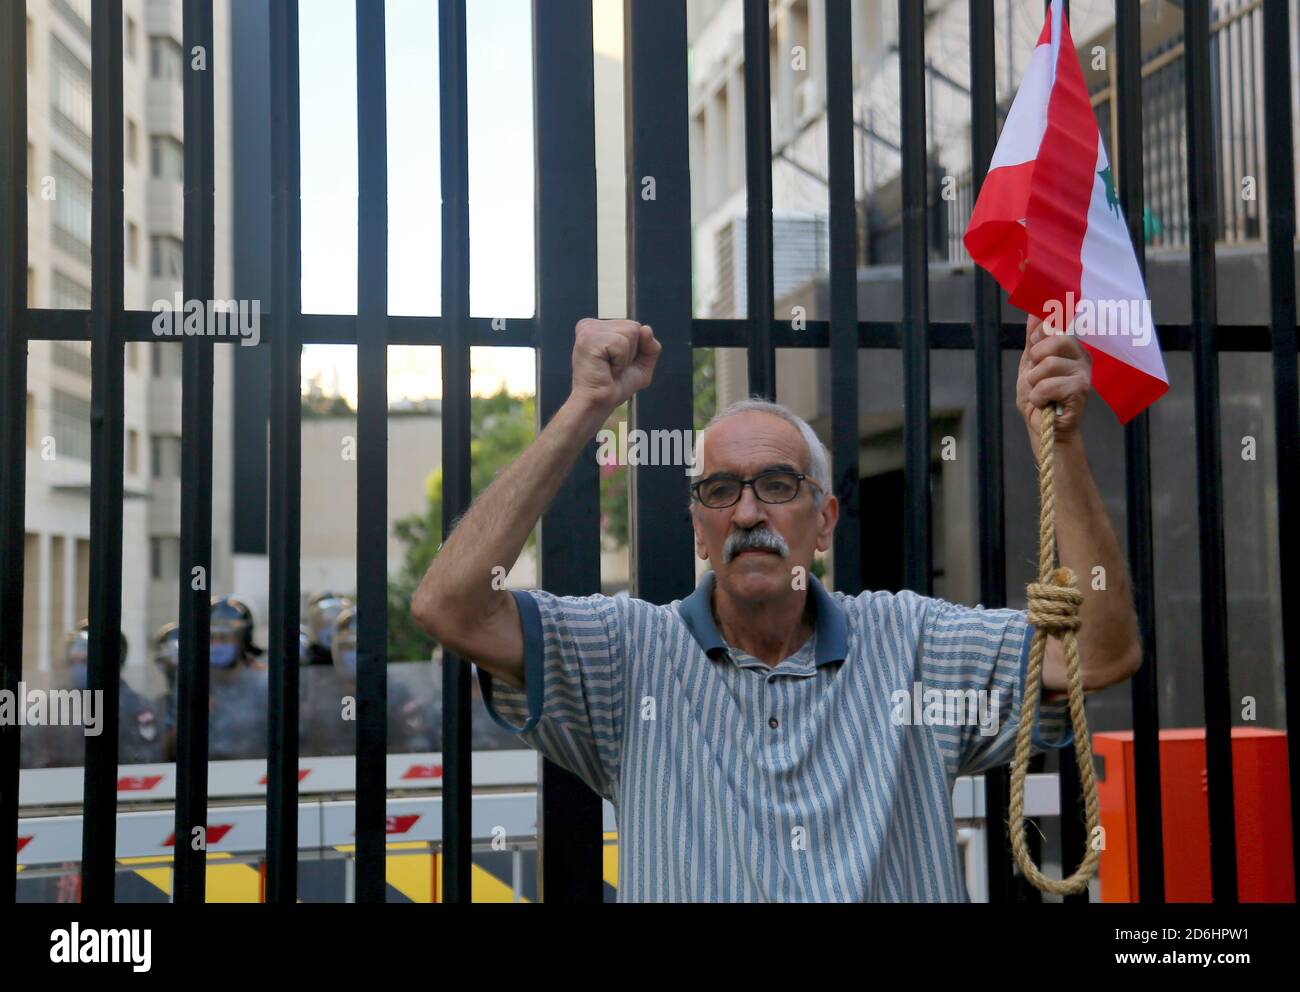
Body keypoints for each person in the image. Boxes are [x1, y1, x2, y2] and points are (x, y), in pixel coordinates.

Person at [410, 317, 1142, 902]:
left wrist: (1066, 443)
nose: (749, 512)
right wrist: (586, 409)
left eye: (778, 485)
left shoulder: (912, 642)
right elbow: (451, 605)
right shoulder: (624, 656)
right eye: (722, 491)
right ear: (699, 528)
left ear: (824, 523)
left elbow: (1102, 653)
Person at [61, 622, 164, 765]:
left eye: (84, 659)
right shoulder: (58, 704)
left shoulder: (138, 707)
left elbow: (145, 758)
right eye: (74, 657)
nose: (76, 663)